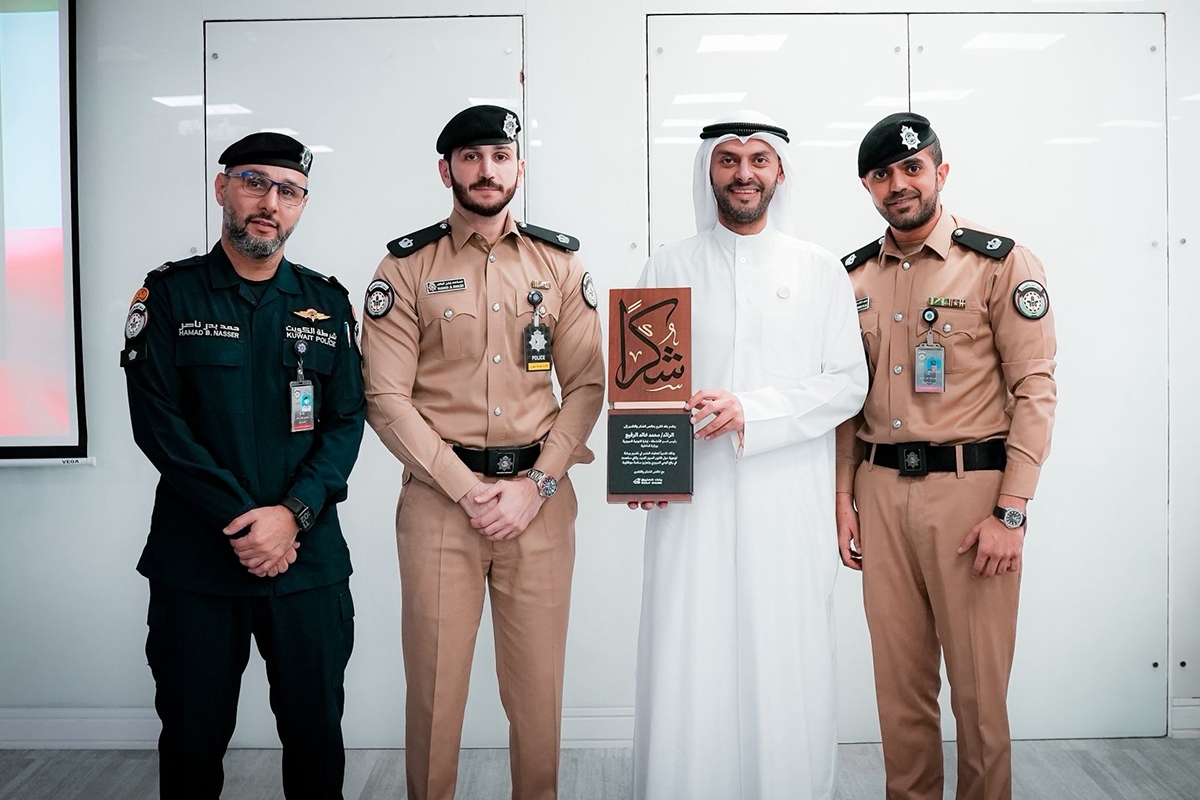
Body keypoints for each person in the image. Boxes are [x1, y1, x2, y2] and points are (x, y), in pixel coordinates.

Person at [359, 105, 604, 800]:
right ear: (447, 171)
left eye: (499, 156)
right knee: (435, 691)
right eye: (470, 157)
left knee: (537, 692)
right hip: (441, 507)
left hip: (539, 505)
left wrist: (538, 485)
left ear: (518, 167)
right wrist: (467, 490)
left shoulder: (559, 263)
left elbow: (588, 385)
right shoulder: (406, 267)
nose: (486, 170)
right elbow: (384, 396)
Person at [631, 111, 869, 800]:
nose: (743, 173)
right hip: (690, 504)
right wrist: (643, 464)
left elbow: (847, 384)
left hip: (786, 500)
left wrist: (751, 411)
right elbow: (644, 385)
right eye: (729, 159)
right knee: (687, 648)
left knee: (784, 653)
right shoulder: (668, 265)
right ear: (708, 171)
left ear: (780, 172)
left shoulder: (819, 269)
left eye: (758, 159)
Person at [120, 132, 365, 800]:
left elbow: (346, 421)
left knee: (317, 738)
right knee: (192, 742)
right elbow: (159, 426)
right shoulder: (170, 296)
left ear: (302, 204)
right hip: (197, 562)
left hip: (307, 560)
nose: (270, 202)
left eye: (289, 191)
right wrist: (245, 522)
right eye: (255, 182)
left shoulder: (327, 302)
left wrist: (292, 516)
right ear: (222, 187)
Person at [835, 112, 1057, 800]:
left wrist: (1011, 512)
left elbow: (1036, 390)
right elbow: (844, 401)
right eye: (882, 175)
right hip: (879, 493)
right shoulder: (851, 278)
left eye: (912, 168)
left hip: (971, 497)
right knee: (899, 694)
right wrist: (843, 498)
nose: (898, 185)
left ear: (941, 172)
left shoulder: (999, 263)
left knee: (980, 697)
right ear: (868, 187)